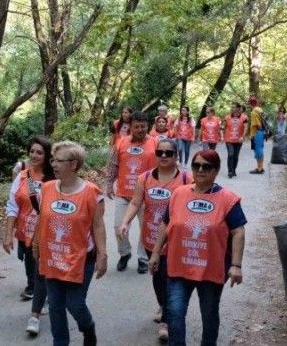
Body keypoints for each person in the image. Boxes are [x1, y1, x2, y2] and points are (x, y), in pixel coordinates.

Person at [148, 150, 246, 346]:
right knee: (174, 312)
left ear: (216, 170)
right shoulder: (179, 194)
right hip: (178, 266)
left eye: (206, 166)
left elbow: (238, 232)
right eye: (196, 166)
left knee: (209, 313)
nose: (200, 170)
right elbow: (165, 224)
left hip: (210, 269)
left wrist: (236, 265)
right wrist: (156, 253)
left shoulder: (228, 199)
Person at [116, 139, 193, 342]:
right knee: (157, 278)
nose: (164, 156)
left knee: (170, 279)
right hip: (150, 239)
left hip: (175, 241)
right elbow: (135, 202)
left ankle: (166, 320)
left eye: (169, 153)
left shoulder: (186, 179)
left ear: (177, 155)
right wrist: (125, 222)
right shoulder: (145, 177)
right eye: (160, 152)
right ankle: (163, 305)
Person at [34, 140, 107, 346]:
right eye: (52, 160)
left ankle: (88, 328)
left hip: (81, 259)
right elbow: (42, 220)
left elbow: (98, 227)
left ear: (73, 164)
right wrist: (36, 245)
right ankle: (61, 342)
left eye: (58, 161)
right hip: (52, 257)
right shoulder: (46, 189)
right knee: (56, 306)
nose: (53, 165)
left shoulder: (91, 193)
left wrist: (103, 256)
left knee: (74, 304)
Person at [3, 135, 54, 335]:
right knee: (32, 266)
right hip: (27, 232)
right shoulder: (23, 176)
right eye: (32, 151)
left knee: (42, 270)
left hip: (49, 235)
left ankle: (38, 309)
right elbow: (12, 206)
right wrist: (8, 234)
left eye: (39, 152)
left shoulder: (55, 177)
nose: (34, 155)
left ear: (47, 155)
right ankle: (38, 291)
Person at [106, 111, 158, 273]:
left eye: (143, 126)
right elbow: (113, 164)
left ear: (147, 126)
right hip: (124, 193)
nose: (141, 129)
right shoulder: (121, 143)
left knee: (146, 228)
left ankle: (143, 258)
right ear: (131, 127)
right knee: (117, 226)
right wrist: (109, 184)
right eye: (137, 127)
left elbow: (163, 166)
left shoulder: (155, 143)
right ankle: (124, 253)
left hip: (146, 195)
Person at [223, 102, 247, 178]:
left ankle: (233, 170)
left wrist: (243, 137)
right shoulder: (227, 117)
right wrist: (221, 132)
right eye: (231, 107)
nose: (232, 108)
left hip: (238, 140)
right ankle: (230, 171)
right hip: (229, 139)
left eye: (233, 107)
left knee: (236, 156)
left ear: (238, 108)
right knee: (230, 154)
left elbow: (246, 127)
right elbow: (223, 126)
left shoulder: (243, 118)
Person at [249, 101, 267, 174]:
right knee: (260, 149)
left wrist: (253, 134)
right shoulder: (260, 110)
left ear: (251, 104)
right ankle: (261, 167)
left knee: (257, 150)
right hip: (262, 132)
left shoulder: (254, 112)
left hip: (256, 132)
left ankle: (259, 168)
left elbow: (257, 124)